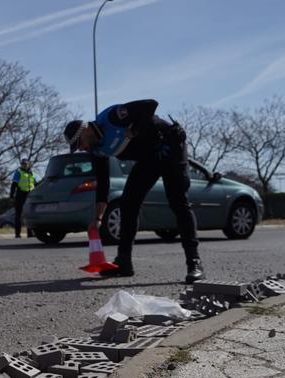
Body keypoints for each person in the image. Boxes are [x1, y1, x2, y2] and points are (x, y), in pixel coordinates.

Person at [63, 99, 204, 283]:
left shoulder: (114, 118)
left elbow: (150, 104)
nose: (82, 148)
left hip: (169, 146)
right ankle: (124, 262)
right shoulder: (97, 151)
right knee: (128, 203)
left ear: (86, 130)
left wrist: (134, 131)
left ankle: (194, 262)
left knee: (178, 201)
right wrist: (98, 218)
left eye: (79, 143)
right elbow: (103, 184)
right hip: (149, 159)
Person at [10, 158, 37, 238]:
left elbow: (35, 184)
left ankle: (30, 233)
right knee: (18, 215)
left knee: (29, 214)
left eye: (25, 164)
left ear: (29, 164)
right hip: (20, 195)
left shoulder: (32, 173)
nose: (24, 165)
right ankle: (17, 234)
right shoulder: (19, 172)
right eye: (22, 164)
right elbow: (14, 184)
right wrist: (11, 195)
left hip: (30, 195)